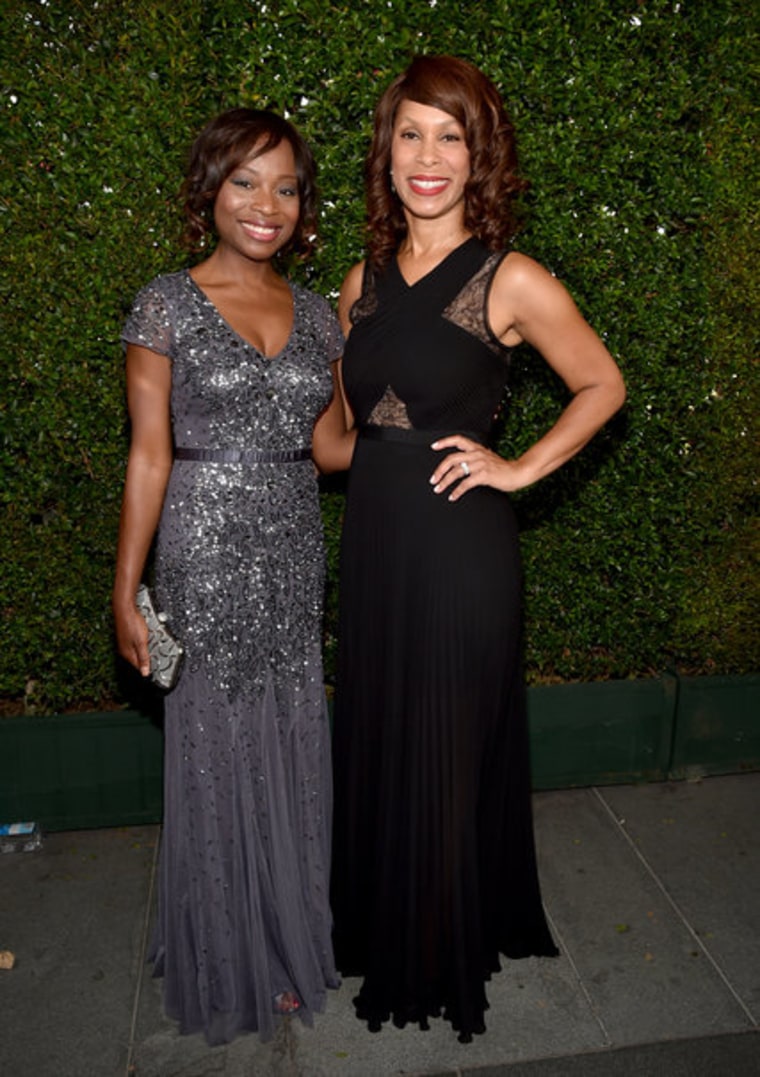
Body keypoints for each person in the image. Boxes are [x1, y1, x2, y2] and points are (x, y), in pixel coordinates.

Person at [324, 55, 626, 1043]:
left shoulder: (511, 277)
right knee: (379, 732)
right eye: (410, 132)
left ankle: (436, 955)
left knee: (447, 748)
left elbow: (601, 384)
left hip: (461, 549)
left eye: (449, 135)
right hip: (374, 541)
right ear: (387, 150)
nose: (427, 155)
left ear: (478, 154)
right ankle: (383, 928)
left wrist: (521, 466)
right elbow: (337, 428)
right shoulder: (357, 282)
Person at [113, 108, 343, 1045]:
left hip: (292, 543)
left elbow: (330, 450)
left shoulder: (323, 313)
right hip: (202, 545)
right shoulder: (164, 303)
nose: (266, 205)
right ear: (209, 188)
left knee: (289, 732)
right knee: (213, 741)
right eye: (246, 181)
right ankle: (224, 947)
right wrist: (128, 589)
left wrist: (406, 412)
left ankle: (286, 935)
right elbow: (148, 457)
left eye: (286, 186)